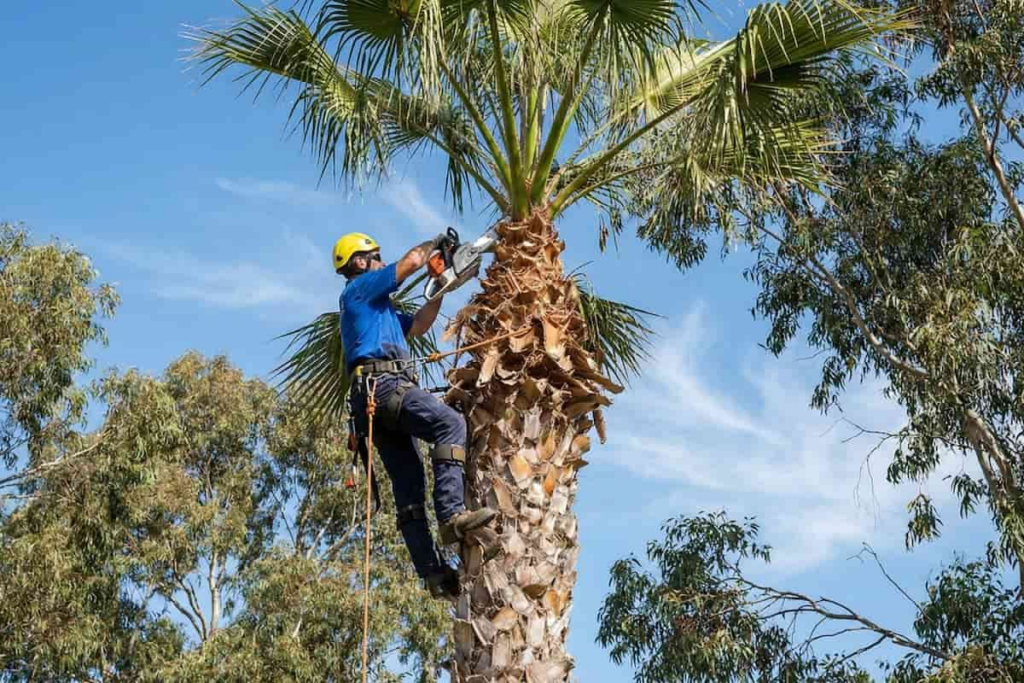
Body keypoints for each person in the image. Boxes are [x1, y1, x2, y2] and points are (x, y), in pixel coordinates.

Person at [334, 232, 496, 600]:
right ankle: (452, 516)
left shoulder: (380, 311)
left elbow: (420, 324)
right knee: (450, 424)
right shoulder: (358, 291)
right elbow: (408, 263)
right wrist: (434, 243)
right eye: (375, 257)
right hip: (384, 386)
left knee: (409, 487)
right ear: (360, 262)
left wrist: (439, 286)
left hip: (374, 400)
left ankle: (434, 573)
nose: (379, 262)